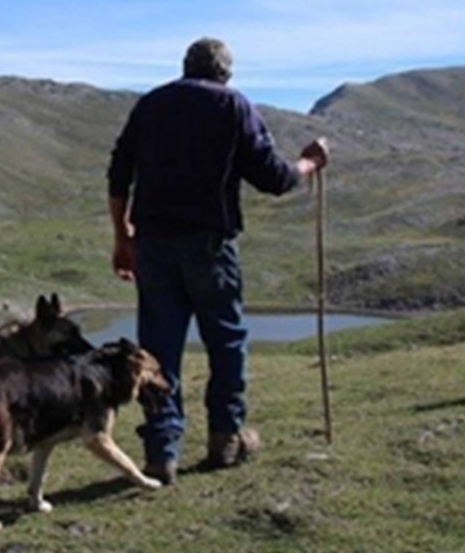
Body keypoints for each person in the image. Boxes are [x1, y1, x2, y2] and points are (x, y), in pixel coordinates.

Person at [107, 37, 329, 485]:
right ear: (225, 73)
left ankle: (161, 454)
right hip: (209, 245)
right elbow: (273, 176)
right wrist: (308, 164)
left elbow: (119, 173)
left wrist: (121, 236)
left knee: (157, 351)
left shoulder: (151, 105)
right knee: (226, 342)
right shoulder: (232, 105)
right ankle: (225, 438)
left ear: (185, 66)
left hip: (152, 244)